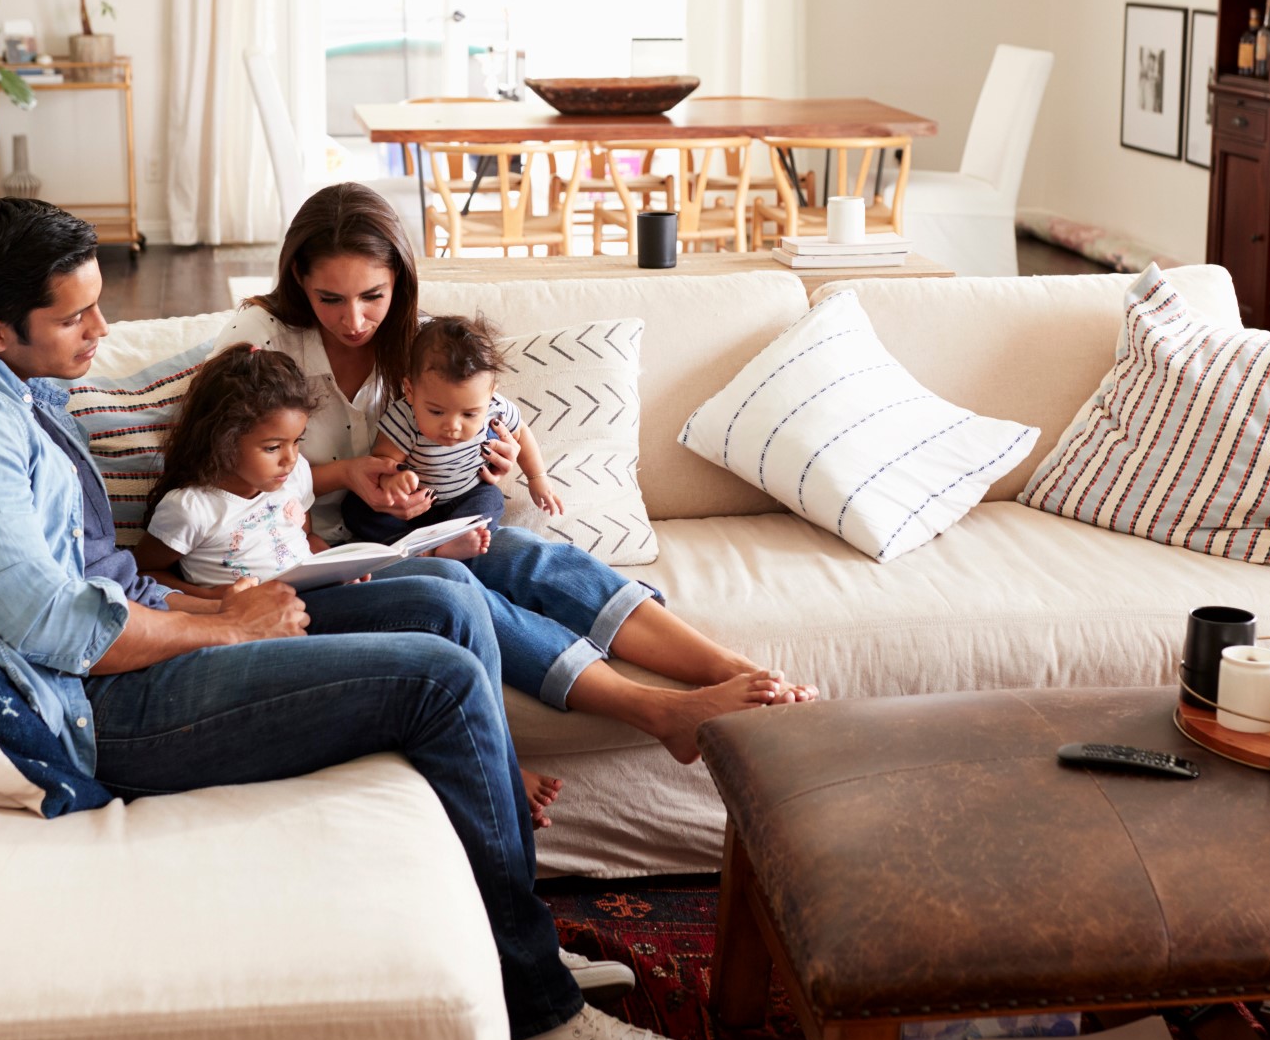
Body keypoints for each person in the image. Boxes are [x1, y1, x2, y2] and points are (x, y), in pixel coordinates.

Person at [0, 197, 707, 1040]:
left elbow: (96, 578)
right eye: (75, 316)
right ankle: (537, 1013)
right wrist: (225, 624)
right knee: (446, 683)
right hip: (96, 709)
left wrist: (217, 597)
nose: (103, 328)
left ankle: (511, 934)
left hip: (150, 628)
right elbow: (54, 628)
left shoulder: (11, 383)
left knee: (447, 594)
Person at [213, 183, 816, 763]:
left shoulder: (413, 346)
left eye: (374, 294)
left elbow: (470, 425)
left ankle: (736, 672)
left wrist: (491, 463)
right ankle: (659, 713)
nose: (355, 320)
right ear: (299, 278)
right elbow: (218, 477)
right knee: (463, 590)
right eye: (331, 299)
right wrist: (346, 473)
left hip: (409, 534)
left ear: (398, 278)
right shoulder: (261, 342)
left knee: (530, 557)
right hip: (307, 561)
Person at [134, 341, 562, 827]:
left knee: (453, 583)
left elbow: (301, 534)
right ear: (222, 439)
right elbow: (147, 574)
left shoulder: (290, 476)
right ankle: (495, 772)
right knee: (438, 621)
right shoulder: (192, 508)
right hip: (261, 625)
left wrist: (329, 559)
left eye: (296, 443)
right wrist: (217, 602)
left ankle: (495, 760)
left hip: (319, 593)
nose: (290, 460)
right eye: (273, 448)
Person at [349, 314, 560, 546]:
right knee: (356, 509)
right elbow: (382, 461)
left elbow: (521, 433)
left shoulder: (495, 408)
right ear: (410, 391)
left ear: (490, 395)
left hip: (465, 497)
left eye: (469, 414)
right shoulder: (404, 417)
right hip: (411, 508)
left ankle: (454, 542)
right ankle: (421, 548)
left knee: (491, 499)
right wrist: (393, 482)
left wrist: (537, 477)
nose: (453, 426)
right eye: (436, 412)